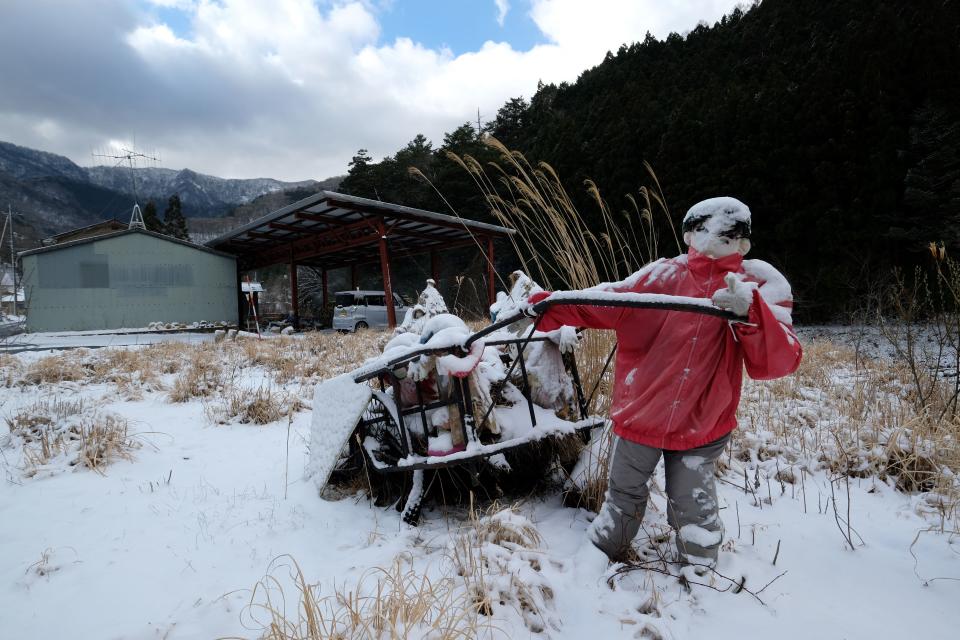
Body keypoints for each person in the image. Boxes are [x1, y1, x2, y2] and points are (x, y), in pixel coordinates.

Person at [526, 197, 803, 579]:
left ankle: (701, 569)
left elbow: (781, 359)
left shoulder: (760, 285)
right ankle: (601, 554)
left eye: (732, 234)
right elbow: (609, 300)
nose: (717, 238)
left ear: (745, 244)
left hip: (702, 422)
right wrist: (551, 306)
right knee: (622, 497)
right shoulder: (662, 277)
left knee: (693, 505)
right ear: (689, 234)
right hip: (642, 412)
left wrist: (749, 312)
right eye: (704, 229)